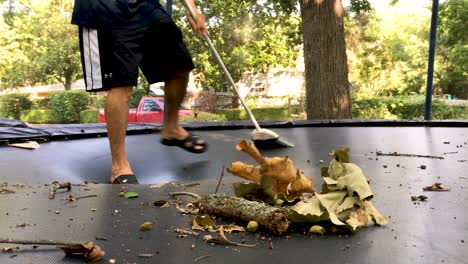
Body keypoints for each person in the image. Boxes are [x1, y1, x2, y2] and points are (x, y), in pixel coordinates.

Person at [71, 0, 208, 184]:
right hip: (104, 10)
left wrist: (192, 9)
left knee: (179, 66)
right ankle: (119, 166)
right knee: (120, 84)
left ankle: (172, 128)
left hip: (146, 6)